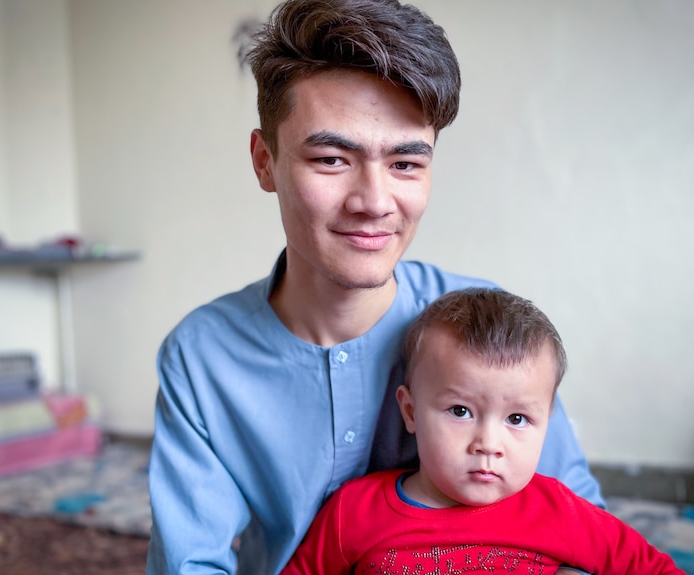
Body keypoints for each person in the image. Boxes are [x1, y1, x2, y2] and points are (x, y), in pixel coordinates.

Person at [146, 1, 604, 574]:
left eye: (406, 165)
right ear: (266, 162)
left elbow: (583, 527)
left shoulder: (482, 329)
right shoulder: (201, 356)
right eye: (332, 158)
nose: (375, 203)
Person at [281, 288, 684, 574]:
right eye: (460, 411)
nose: (488, 445)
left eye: (517, 419)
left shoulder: (559, 511)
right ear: (410, 411)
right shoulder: (355, 511)